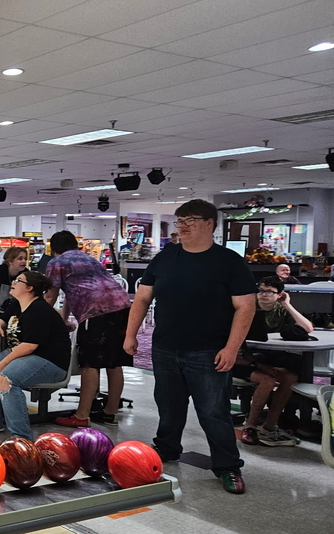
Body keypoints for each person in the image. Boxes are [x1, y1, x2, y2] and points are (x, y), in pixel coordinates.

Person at [123, 199, 256, 495]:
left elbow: (245, 307)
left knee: (213, 411)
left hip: (208, 350)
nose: (181, 227)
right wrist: (130, 335)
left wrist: (232, 348)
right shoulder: (164, 259)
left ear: (209, 224)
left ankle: (227, 465)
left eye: (189, 221)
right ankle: (167, 449)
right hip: (166, 348)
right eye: (179, 221)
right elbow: (142, 299)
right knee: (169, 406)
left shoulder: (229, 262)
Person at [43, 230, 133, 428]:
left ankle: (82, 416)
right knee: (114, 362)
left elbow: (50, 296)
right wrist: (63, 318)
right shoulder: (87, 258)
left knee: (89, 363)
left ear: (54, 249)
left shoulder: (57, 262)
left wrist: (35, 318)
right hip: (122, 307)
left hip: (96, 311)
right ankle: (110, 412)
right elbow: (71, 291)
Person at [0, 271, 72, 440]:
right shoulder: (18, 304)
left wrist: (2, 363)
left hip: (49, 361)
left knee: (5, 378)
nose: (14, 282)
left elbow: (29, 346)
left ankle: (22, 437)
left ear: (29, 288)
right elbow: (2, 319)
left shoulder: (39, 309)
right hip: (24, 354)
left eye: (19, 280)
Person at [237, 275, 313, 447]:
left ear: (279, 295)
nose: (264, 295)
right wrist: (257, 364)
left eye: (269, 292)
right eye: (261, 290)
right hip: (246, 356)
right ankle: (250, 425)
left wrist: (287, 304)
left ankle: (271, 425)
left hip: (270, 354)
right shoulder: (248, 308)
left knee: (292, 374)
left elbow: (308, 328)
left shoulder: (280, 309)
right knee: (268, 379)